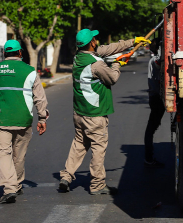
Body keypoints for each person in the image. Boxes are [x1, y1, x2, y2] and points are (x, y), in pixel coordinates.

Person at [59, 29, 150, 195]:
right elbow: (112, 78)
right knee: (98, 149)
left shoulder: (79, 57)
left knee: (79, 144)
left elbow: (108, 49)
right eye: (95, 39)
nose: (97, 41)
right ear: (92, 43)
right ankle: (97, 185)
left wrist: (132, 41)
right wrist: (117, 64)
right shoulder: (97, 64)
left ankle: (66, 176)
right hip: (95, 114)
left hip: (79, 112)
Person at [0, 40, 49, 204]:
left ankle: (10, 188)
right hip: (24, 119)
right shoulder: (30, 71)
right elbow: (40, 97)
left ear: (4, 54)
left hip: (1, 120)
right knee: (19, 155)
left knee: (3, 153)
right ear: (20, 53)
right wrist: (42, 118)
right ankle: (15, 185)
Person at [144, 42, 165, 168]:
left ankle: (149, 156)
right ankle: (148, 157)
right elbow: (160, 62)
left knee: (152, 127)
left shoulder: (154, 59)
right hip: (156, 98)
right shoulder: (154, 61)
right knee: (150, 129)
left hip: (156, 97)